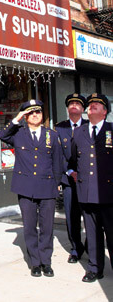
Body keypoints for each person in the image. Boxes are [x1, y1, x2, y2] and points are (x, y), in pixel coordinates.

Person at [0, 99, 62, 278]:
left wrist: (57, 183)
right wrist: (16, 118)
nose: (35, 115)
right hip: (25, 187)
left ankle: (46, 262)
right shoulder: (18, 134)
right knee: (29, 227)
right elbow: (2, 136)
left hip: (47, 186)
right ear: (26, 116)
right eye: (31, 113)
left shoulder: (52, 135)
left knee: (47, 227)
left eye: (38, 112)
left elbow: (57, 161)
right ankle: (35, 262)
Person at [70, 93, 113, 283]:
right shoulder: (79, 132)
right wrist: (72, 172)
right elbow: (73, 159)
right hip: (87, 193)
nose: (92, 106)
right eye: (90, 104)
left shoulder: (112, 130)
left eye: (97, 104)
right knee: (92, 234)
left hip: (109, 194)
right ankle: (94, 268)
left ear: (105, 112)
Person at [56, 93, 88, 264]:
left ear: (83, 109)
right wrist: (69, 171)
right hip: (68, 180)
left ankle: (90, 244)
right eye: (71, 103)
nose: (74, 105)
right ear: (67, 108)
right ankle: (76, 248)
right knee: (71, 216)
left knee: (91, 216)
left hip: (88, 181)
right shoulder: (59, 128)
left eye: (78, 103)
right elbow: (58, 154)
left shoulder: (90, 126)